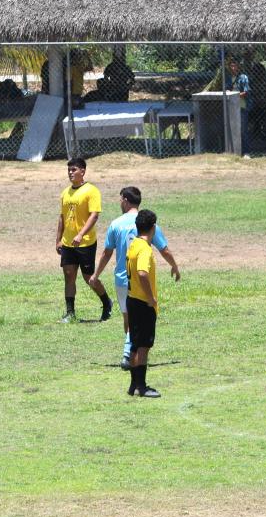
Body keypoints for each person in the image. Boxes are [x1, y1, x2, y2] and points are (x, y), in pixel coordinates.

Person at [90, 187, 181, 369]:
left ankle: (130, 353)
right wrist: (174, 266)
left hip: (123, 278)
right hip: (141, 279)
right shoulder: (146, 223)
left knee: (128, 319)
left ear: (125, 200)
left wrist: (96, 274)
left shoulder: (116, 224)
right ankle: (129, 354)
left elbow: (107, 252)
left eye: (119, 199)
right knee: (137, 320)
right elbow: (164, 249)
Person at [55, 158, 112, 323]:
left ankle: (106, 302)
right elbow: (62, 217)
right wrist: (58, 239)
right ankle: (70, 313)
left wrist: (80, 235)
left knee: (89, 278)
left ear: (83, 171)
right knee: (69, 275)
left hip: (85, 242)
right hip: (68, 242)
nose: (70, 173)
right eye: (69, 170)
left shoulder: (91, 190)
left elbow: (94, 215)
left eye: (74, 170)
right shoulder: (65, 193)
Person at [125, 209, 162, 398]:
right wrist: (151, 297)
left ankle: (133, 385)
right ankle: (142, 386)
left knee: (134, 345)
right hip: (142, 303)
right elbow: (142, 273)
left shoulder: (133, 244)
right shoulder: (145, 249)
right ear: (153, 228)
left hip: (131, 299)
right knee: (143, 347)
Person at [226, 59, 251, 156]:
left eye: (235, 65)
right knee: (231, 129)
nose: (233, 68)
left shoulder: (243, 77)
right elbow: (227, 89)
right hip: (231, 107)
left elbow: (246, 91)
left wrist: (236, 96)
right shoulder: (228, 78)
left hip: (241, 106)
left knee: (243, 130)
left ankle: (246, 152)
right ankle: (234, 151)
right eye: (231, 66)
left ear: (238, 67)